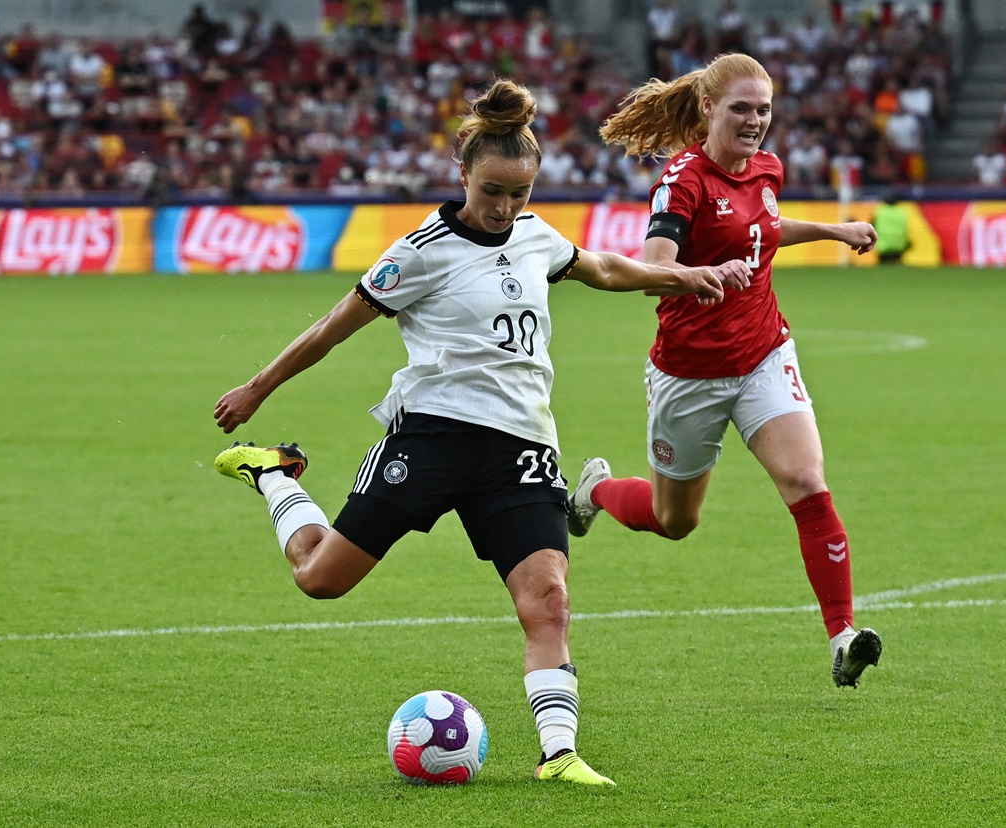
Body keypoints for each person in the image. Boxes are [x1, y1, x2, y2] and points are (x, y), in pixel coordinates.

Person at [213, 79, 748, 786]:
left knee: (548, 599)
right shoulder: (419, 252)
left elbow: (607, 269)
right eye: (492, 191)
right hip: (431, 440)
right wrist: (258, 387)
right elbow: (329, 331)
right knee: (321, 580)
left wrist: (688, 277)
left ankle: (559, 755)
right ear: (464, 174)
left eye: (519, 194)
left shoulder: (534, 237)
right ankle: (275, 474)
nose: (504, 208)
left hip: (522, 449)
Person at [573, 52, 884, 689]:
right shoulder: (682, 180)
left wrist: (833, 229)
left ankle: (843, 634)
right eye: (741, 108)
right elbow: (650, 264)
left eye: (763, 110)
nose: (754, 121)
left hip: (765, 354)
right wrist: (699, 277)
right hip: (689, 374)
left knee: (806, 479)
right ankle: (594, 491)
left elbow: (763, 226)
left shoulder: (766, 167)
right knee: (674, 521)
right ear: (709, 108)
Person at [871, 191, 911, 264]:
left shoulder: (880, 211)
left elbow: (872, 227)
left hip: (883, 246)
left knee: (883, 266)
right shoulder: (902, 212)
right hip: (899, 245)